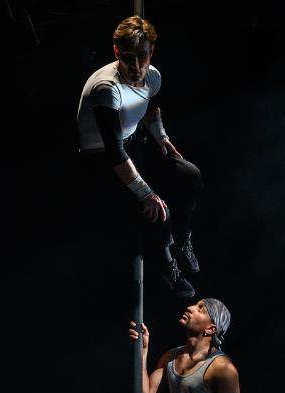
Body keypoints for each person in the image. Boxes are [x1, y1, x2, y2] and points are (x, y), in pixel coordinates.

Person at [77, 14, 203, 298]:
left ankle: (181, 239)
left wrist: (162, 137)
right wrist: (146, 193)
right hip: (102, 160)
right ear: (116, 52)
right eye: (128, 57)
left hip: (133, 144)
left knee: (190, 175)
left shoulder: (153, 75)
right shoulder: (105, 89)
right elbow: (113, 150)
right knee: (158, 210)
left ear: (152, 52)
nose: (136, 66)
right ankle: (166, 263)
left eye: (142, 56)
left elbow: (150, 106)